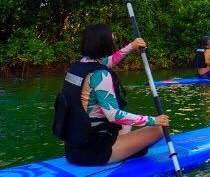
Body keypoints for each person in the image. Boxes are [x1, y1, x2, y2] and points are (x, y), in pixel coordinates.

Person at [53, 24, 169, 166]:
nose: (113, 38)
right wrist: (154, 120)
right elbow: (113, 115)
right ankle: (127, 152)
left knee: (125, 125)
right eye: (112, 36)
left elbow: (108, 61)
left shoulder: (79, 66)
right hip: (93, 152)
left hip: (73, 149)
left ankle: (127, 149)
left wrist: (132, 46)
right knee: (160, 129)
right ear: (104, 42)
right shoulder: (101, 74)